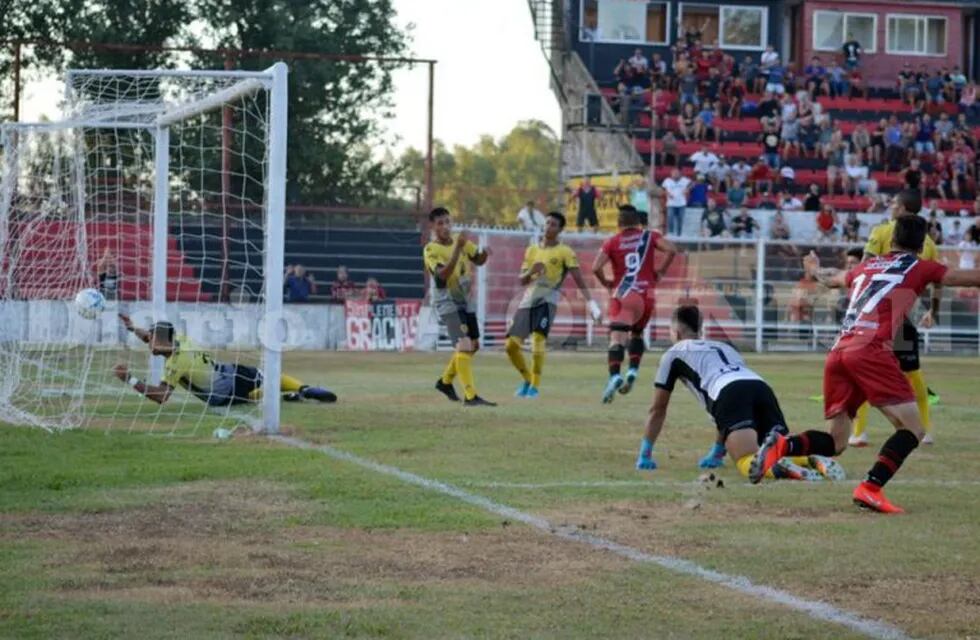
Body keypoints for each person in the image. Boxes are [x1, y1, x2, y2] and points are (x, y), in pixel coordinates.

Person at [752, 212, 980, 513]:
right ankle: (870, 488)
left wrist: (815, 268)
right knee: (913, 429)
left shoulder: (867, 265)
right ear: (923, 243)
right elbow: (967, 278)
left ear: (893, 239)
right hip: (871, 350)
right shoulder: (921, 266)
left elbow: (830, 280)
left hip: (839, 350)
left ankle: (783, 446)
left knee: (837, 442)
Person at [635, 305, 843, 481]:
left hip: (729, 392)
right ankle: (812, 460)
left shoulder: (673, 354)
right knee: (775, 449)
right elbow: (722, 414)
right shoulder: (725, 347)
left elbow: (658, 409)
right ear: (700, 329)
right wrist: (717, 452)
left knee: (746, 460)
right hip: (760, 387)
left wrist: (645, 453)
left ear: (676, 333)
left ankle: (789, 471)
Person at [112, 314, 336, 406]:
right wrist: (133, 328)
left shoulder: (175, 364)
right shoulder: (180, 339)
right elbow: (151, 338)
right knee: (265, 378)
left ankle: (296, 393)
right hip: (224, 379)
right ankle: (301, 390)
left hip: (223, 388)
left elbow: (161, 397)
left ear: (161, 342)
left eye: (151, 341)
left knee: (258, 386)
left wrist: (129, 379)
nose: (148, 344)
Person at [505, 212, 601, 398]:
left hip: (548, 301)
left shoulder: (565, 252)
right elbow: (522, 280)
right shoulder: (532, 250)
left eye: (553, 224)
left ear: (560, 229)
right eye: (547, 222)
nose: (548, 226)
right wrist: (532, 271)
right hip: (527, 302)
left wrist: (592, 304)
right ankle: (526, 379)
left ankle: (534, 387)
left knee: (538, 341)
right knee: (511, 345)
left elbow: (579, 279)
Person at [592, 205, 677, 403]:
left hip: (623, 295)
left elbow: (596, 267)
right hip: (646, 296)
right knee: (637, 334)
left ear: (619, 223)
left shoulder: (612, 242)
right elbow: (672, 249)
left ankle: (614, 376)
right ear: (638, 221)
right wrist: (661, 271)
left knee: (617, 339)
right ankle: (633, 371)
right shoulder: (650, 236)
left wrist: (606, 284)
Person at [424, 207, 495, 407]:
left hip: (465, 300)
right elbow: (443, 275)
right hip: (447, 302)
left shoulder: (461, 240)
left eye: (448, 221)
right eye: (440, 223)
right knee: (463, 346)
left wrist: (484, 253)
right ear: (433, 226)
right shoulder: (431, 249)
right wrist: (458, 248)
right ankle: (471, 396)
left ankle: (445, 382)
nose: (446, 226)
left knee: (473, 347)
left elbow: (479, 260)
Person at [661, 168, 691, 237]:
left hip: (682, 204)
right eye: (674, 173)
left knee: (681, 219)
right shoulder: (667, 180)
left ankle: (679, 234)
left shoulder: (684, 180)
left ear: (680, 174)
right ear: (671, 174)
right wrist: (667, 193)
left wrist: (687, 189)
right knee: (670, 218)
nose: (675, 175)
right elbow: (663, 189)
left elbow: (692, 184)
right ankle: (671, 233)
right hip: (671, 204)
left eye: (677, 173)